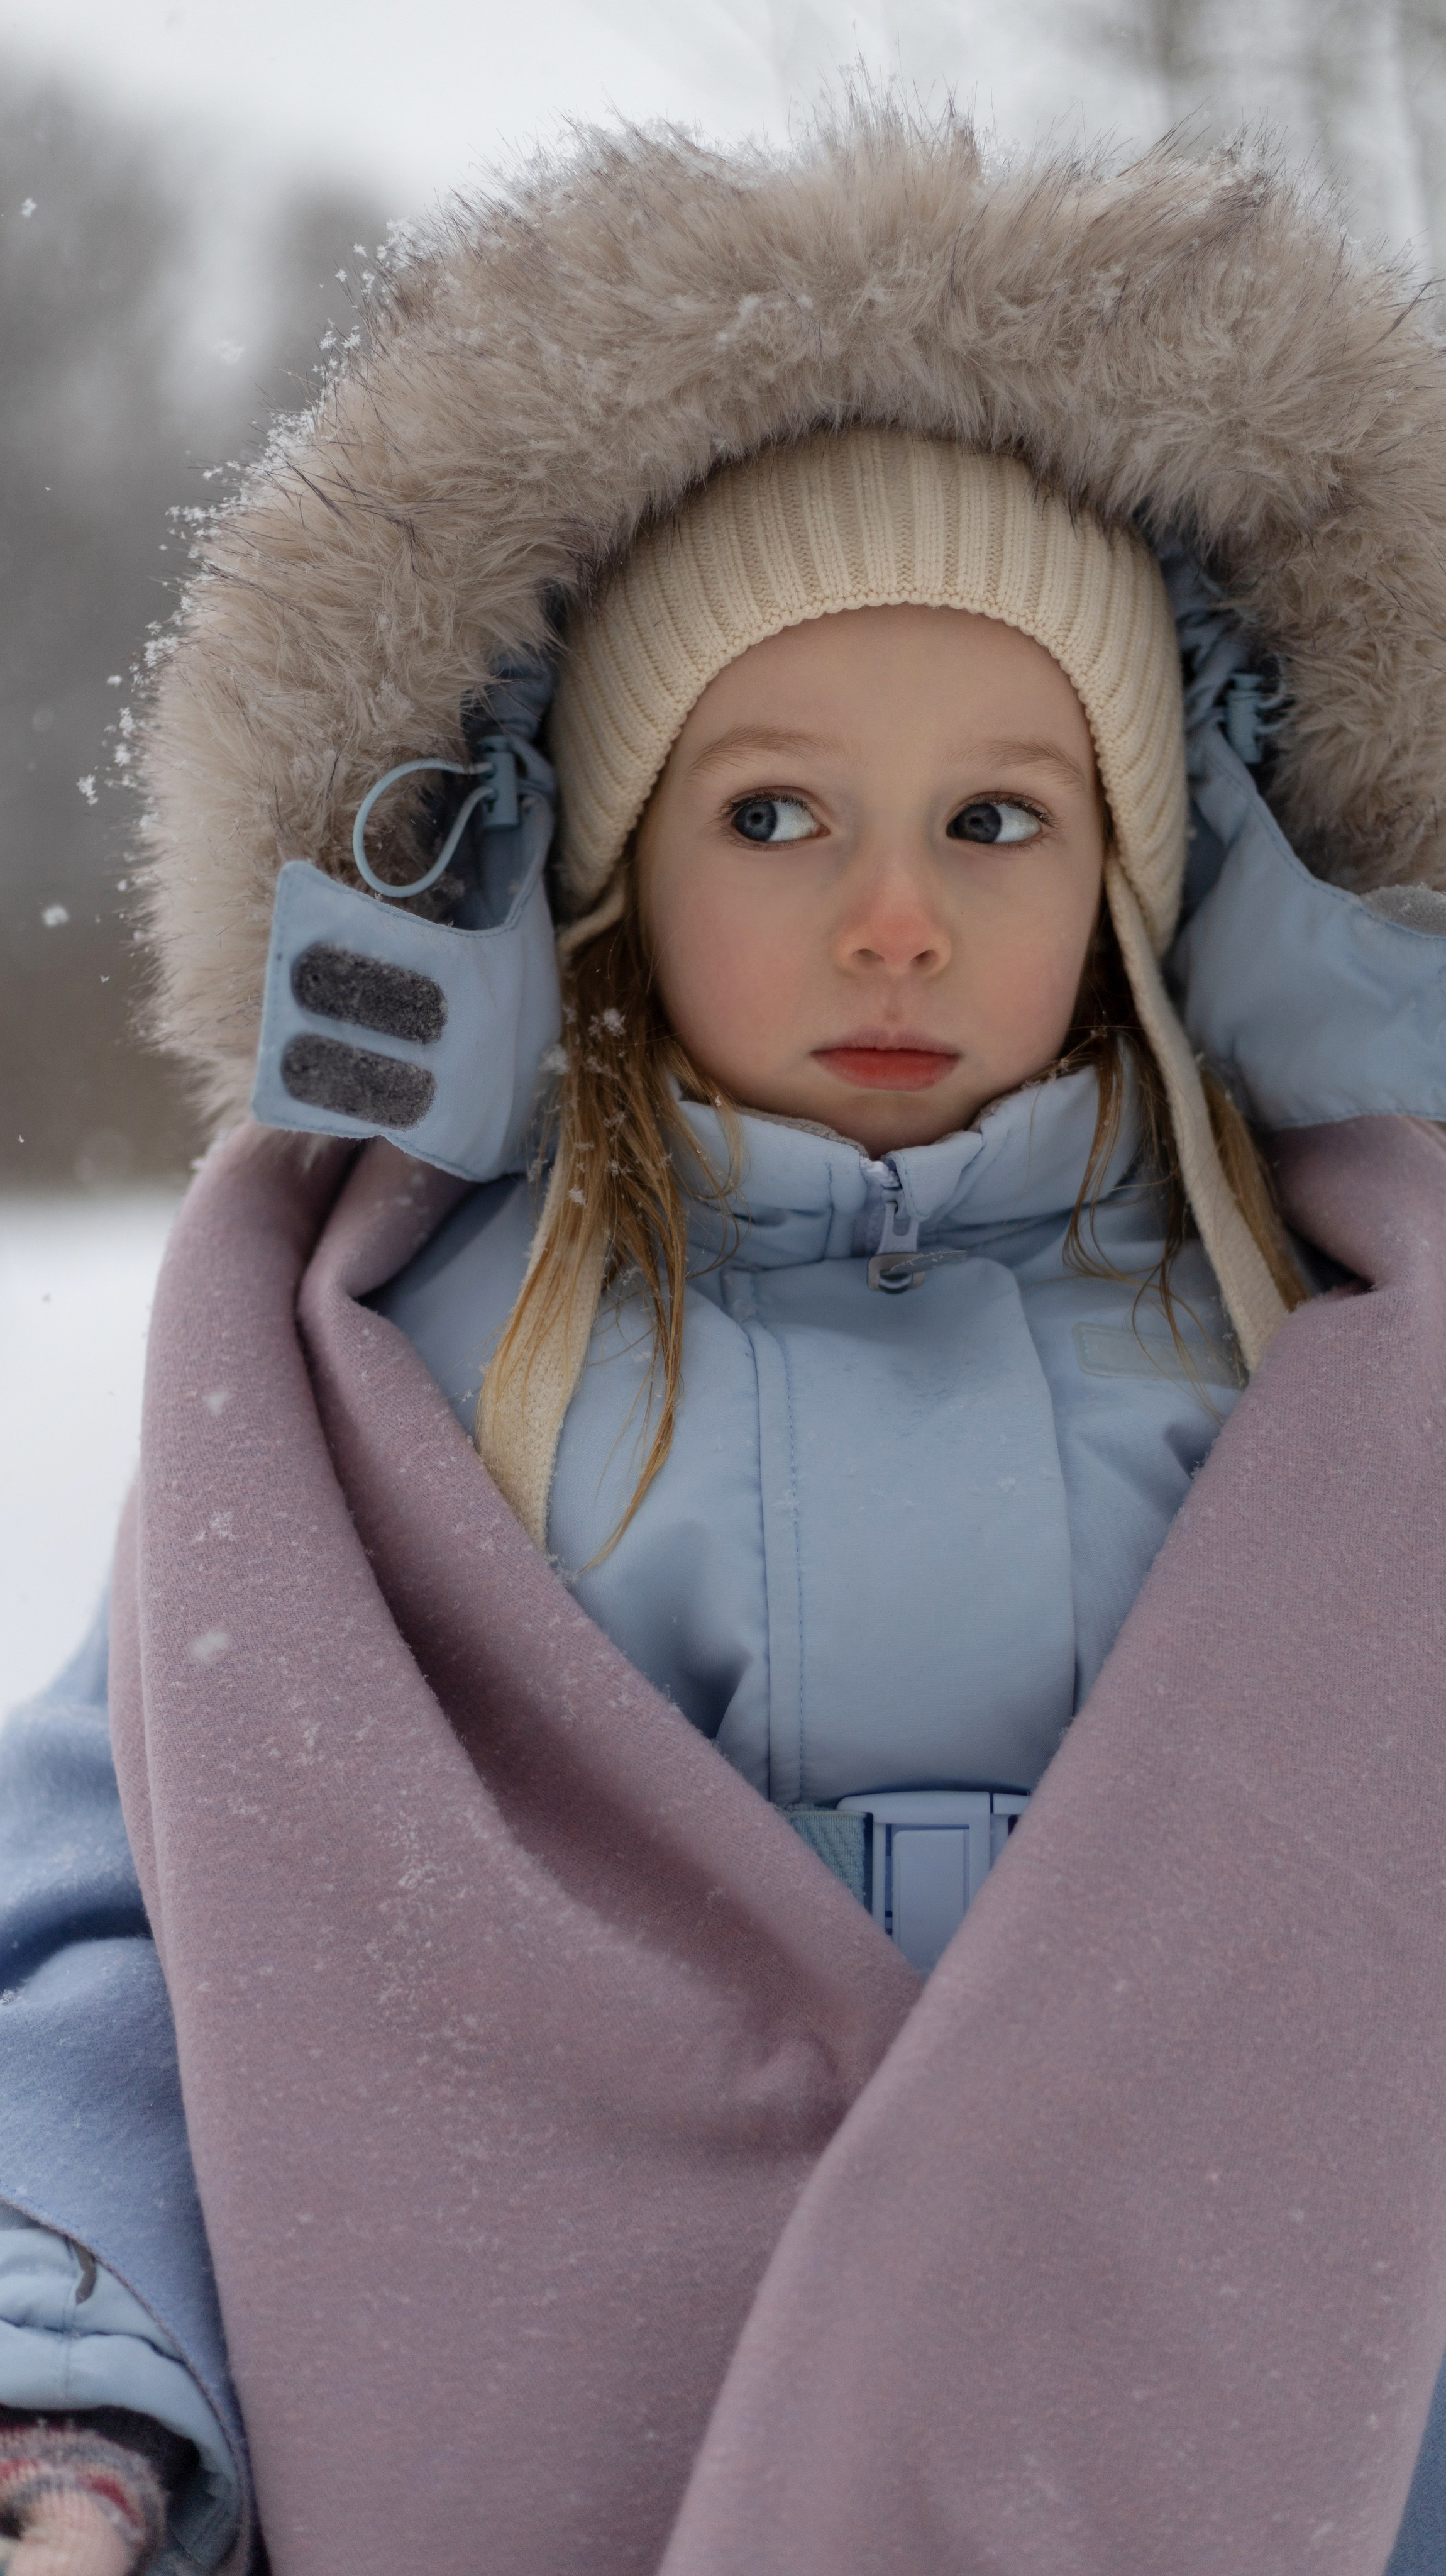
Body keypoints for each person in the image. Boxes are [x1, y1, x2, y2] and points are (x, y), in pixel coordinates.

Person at [3, 103, 1446, 2576]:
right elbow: (147, 1895)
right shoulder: (397, 1367)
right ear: (602, 860)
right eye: (775, 818)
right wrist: (77, 2371)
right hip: (557, 2468)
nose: (892, 918)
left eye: (995, 823)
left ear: (1130, 881)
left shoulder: (1313, 1367)